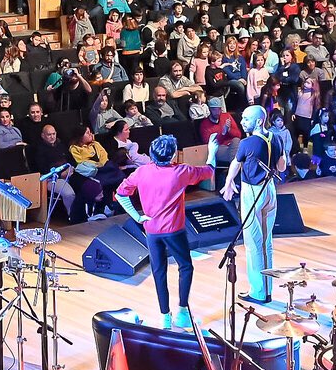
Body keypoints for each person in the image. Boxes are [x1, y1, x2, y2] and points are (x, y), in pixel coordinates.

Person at [114, 134, 221, 325]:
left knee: (159, 271)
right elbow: (209, 170)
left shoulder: (141, 172)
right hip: (174, 231)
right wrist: (212, 151)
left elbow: (121, 194)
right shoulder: (181, 171)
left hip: (152, 231)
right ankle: (183, 312)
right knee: (185, 266)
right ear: (172, 155)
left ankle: (165, 316)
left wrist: (137, 217)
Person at [223, 104, 283, 303]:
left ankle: (258, 292)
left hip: (253, 191)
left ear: (258, 121)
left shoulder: (247, 143)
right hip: (270, 190)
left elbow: (236, 163)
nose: (242, 122)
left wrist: (228, 182)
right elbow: (282, 166)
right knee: (267, 242)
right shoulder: (276, 138)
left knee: (253, 243)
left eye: (246, 119)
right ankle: (267, 290)